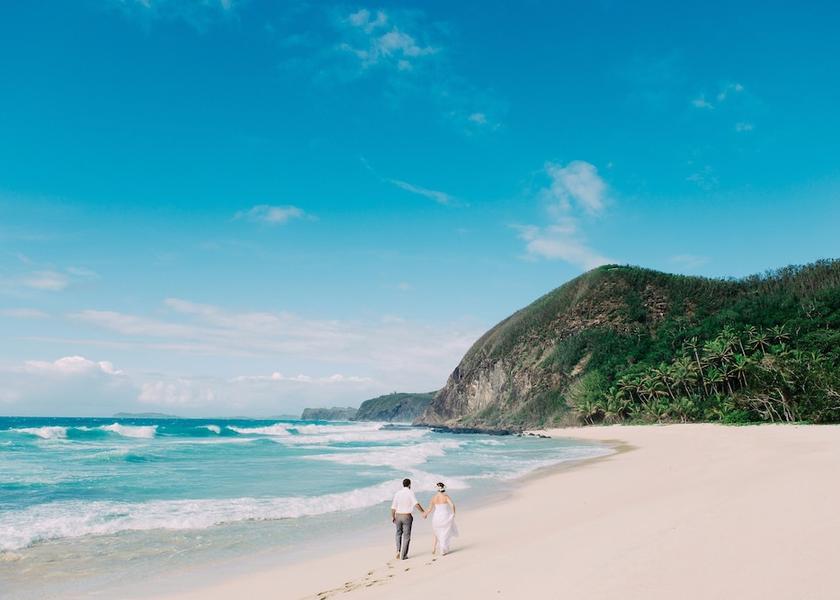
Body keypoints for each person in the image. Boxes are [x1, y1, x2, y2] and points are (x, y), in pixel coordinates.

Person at [390, 478, 424, 560]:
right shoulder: (410, 492)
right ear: (409, 485)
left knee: (398, 533)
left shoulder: (398, 493)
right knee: (406, 536)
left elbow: (393, 507)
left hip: (398, 515)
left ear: (403, 484)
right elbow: (416, 504)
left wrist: (392, 516)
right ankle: (403, 555)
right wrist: (423, 511)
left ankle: (398, 550)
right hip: (406, 516)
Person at [423, 482, 458, 556]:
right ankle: (442, 549)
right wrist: (453, 514)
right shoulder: (446, 497)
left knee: (437, 532)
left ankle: (434, 548)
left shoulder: (434, 498)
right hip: (445, 516)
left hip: (436, 517)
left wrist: (425, 514)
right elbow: (452, 505)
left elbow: (430, 509)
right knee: (445, 532)